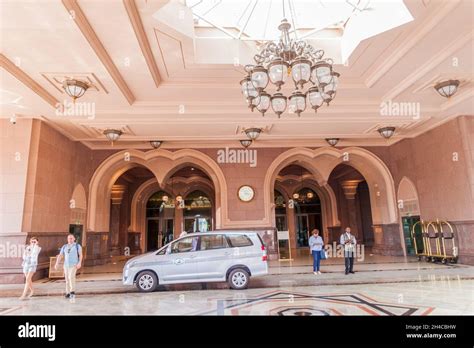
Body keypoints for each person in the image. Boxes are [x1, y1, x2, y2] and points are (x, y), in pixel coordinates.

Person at [55, 234, 83, 299]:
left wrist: (79, 263)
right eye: (68, 238)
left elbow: (80, 255)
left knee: (71, 277)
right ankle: (67, 292)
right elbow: (60, 255)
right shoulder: (64, 246)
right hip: (66, 265)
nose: (70, 240)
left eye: (71, 238)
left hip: (74, 265)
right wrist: (57, 263)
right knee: (67, 279)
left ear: (74, 239)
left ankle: (72, 292)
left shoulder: (77, 246)